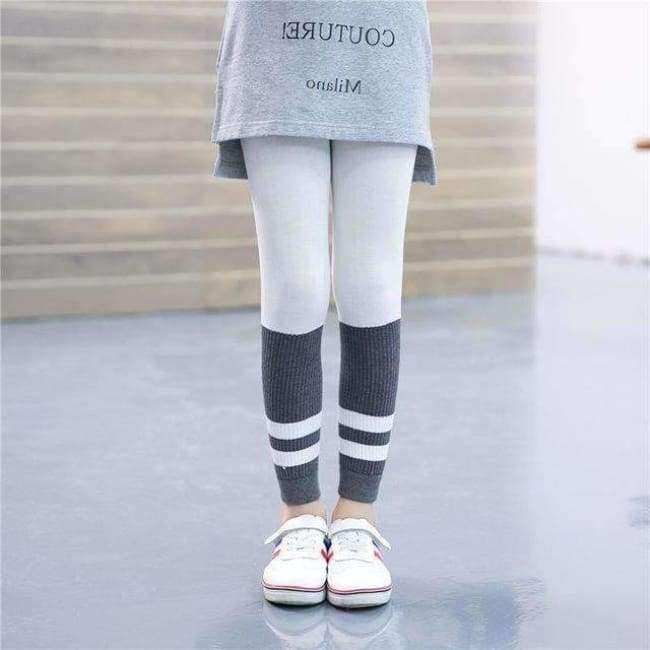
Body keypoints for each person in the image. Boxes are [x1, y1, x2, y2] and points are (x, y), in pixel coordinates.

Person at [211, 0, 435, 608]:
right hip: (276, 40)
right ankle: (300, 515)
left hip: (383, 39)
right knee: (295, 286)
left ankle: (358, 513)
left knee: (371, 285)